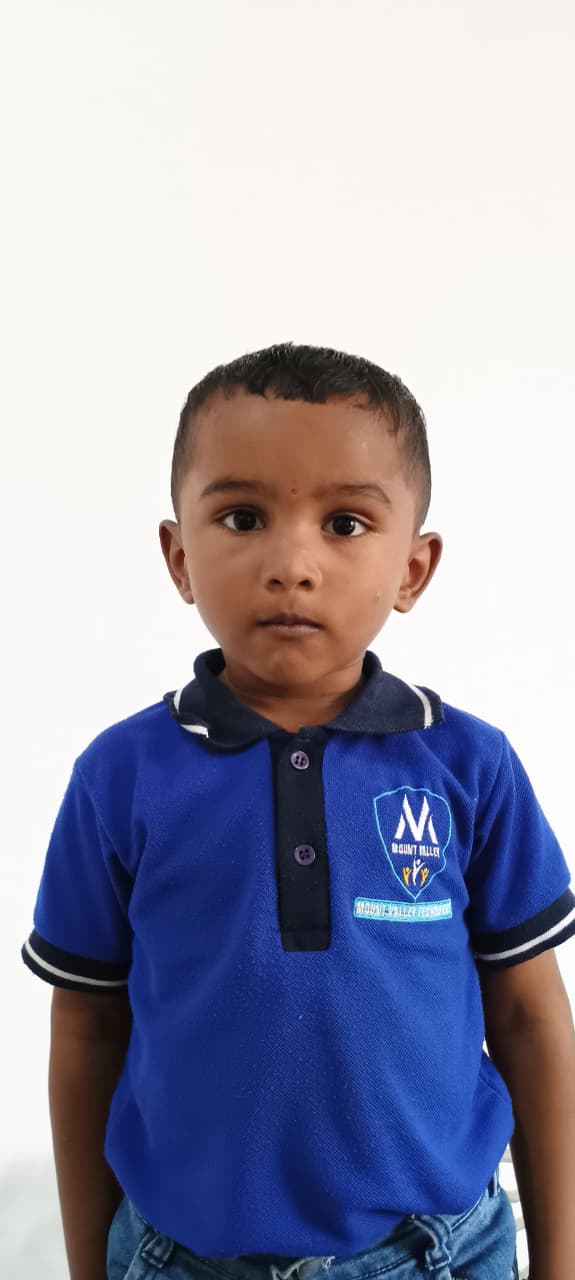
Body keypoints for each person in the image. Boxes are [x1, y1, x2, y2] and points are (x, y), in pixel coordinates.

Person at [22, 342, 575, 1280]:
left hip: (440, 1253)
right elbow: (86, 1031)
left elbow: (528, 1020)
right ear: (178, 556)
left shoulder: (468, 766)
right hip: (179, 1259)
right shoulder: (119, 776)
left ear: (413, 568)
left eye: (346, 523)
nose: (291, 564)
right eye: (242, 517)